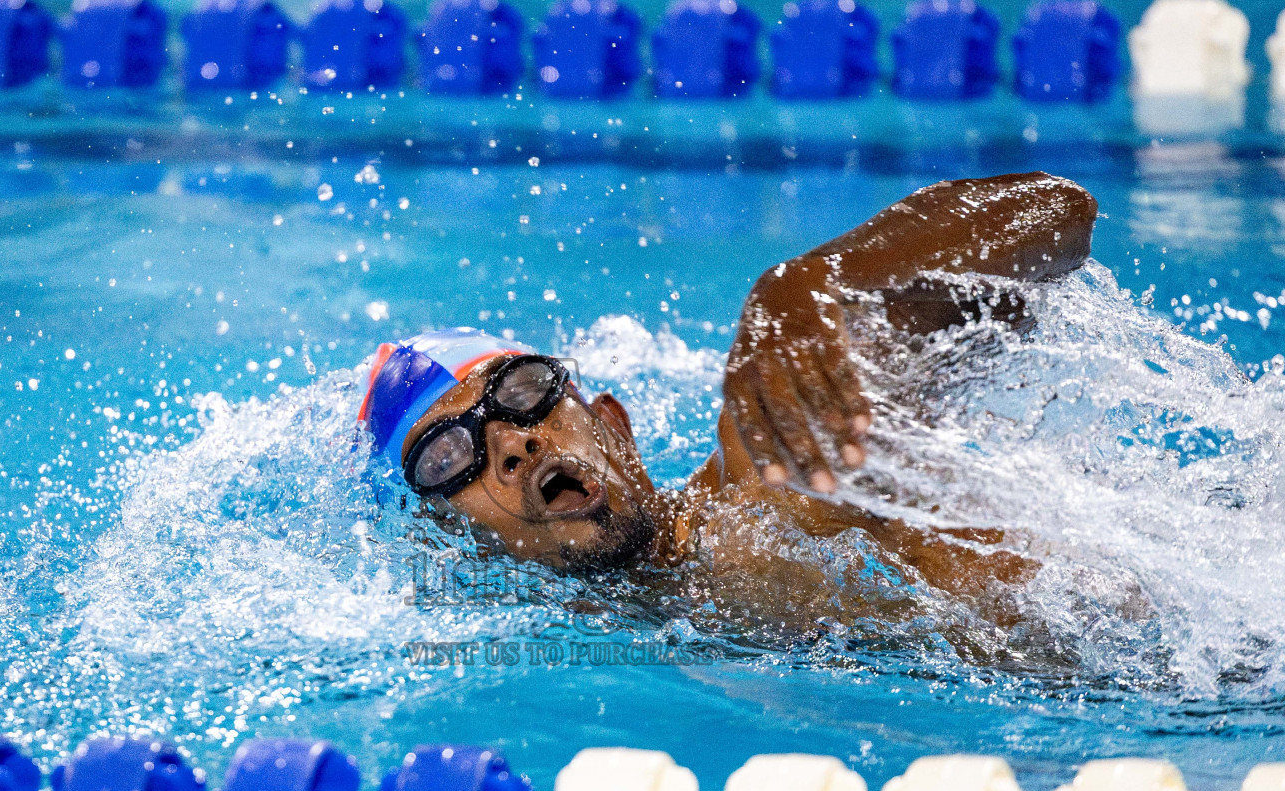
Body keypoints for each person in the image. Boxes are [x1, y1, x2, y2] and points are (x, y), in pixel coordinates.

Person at [357, 172, 1099, 641]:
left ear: (613, 427)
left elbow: (1058, 212)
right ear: (459, 541)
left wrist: (811, 283)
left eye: (522, 393)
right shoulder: (603, 634)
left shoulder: (776, 461)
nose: (510, 444)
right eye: (447, 457)